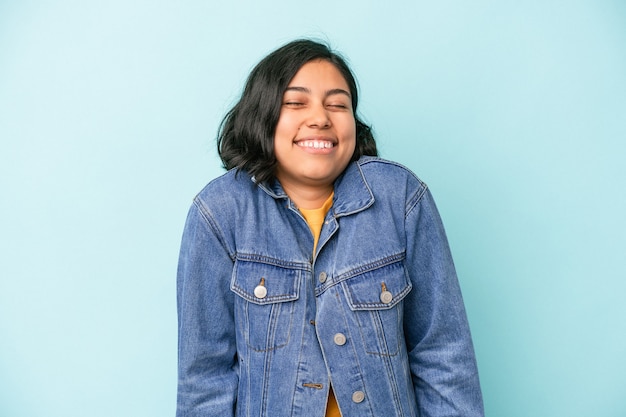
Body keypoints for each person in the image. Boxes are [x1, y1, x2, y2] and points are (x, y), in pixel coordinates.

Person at [176, 39, 484, 417]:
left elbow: (443, 355)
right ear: (263, 114)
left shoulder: (401, 199)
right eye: (296, 102)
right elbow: (204, 378)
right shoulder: (219, 213)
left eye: (338, 104)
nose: (321, 117)